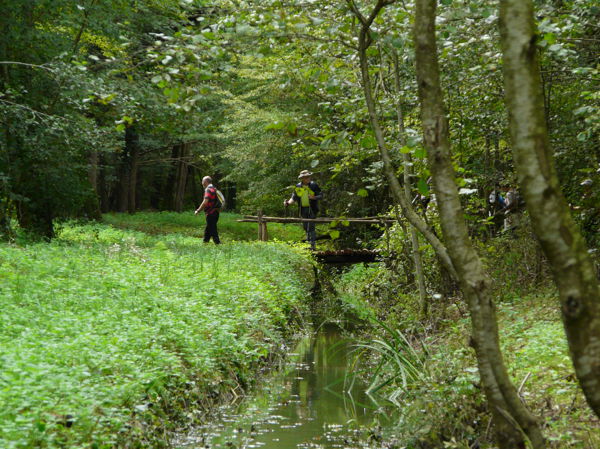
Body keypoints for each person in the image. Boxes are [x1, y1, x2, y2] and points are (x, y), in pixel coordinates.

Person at [284, 170, 323, 250]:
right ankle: (309, 244)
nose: (308, 178)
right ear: (302, 178)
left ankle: (312, 246)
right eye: (306, 177)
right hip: (303, 209)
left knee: (311, 227)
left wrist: (314, 197)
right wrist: (288, 203)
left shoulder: (313, 185)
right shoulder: (298, 187)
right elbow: (294, 198)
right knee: (306, 227)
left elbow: (321, 195)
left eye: (308, 176)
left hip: (312, 209)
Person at [195, 176, 221, 244]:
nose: (202, 183)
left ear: (205, 182)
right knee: (209, 228)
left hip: (210, 212)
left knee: (213, 229)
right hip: (216, 212)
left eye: (202, 181)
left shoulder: (208, 189)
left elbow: (205, 202)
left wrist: (198, 210)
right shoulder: (214, 189)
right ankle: (205, 242)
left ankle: (218, 244)